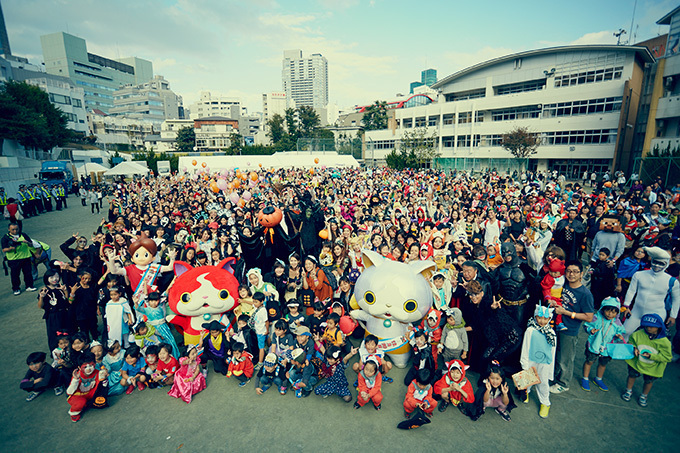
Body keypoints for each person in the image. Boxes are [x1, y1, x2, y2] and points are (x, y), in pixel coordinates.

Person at [550, 260, 594, 394]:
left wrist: (566, 313)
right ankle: (555, 378)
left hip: (570, 329)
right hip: (556, 325)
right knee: (557, 354)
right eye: (569, 271)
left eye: (575, 272)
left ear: (581, 274)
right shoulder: (563, 285)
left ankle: (564, 383)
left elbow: (589, 317)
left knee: (566, 358)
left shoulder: (585, 294)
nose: (571, 274)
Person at [623, 247, 679, 335]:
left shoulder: (671, 281)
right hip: (636, 312)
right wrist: (626, 305)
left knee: (651, 339)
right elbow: (631, 291)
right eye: (655, 262)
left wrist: (673, 316)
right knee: (624, 333)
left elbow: (676, 299)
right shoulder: (638, 275)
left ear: (666, 264)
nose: (657, 265)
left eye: (661, 263)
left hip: (657, 313)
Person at [621, 314, 672, 407]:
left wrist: (652, 356)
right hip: (637, 362)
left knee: (649, 381)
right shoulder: (638, 333)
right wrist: (634, 348)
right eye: (646, 325)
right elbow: (631, 341)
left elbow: (667, 357)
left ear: (659, 327)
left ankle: (644, 396)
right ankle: (628, 391)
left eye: (652, 326)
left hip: (652, 366)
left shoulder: (664, 341)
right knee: (632, 375)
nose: (648, 328)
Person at [581, 297, 626, 392]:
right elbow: (587, 325)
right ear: (603, 309)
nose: (610, 314)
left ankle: (598, 379)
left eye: (613, 312)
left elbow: (620, 332)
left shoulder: (617, 322)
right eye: (608, 311)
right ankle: (585, 378)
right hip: (594, 345)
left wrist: (619, 336)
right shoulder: (596, 318)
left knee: (603, 364)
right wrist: (591, 330)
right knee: (589, 361)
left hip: (607, 348)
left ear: (617, 313)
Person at [520, 304, 557, 418]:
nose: (542, 321)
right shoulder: (530, 330)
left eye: (546, 318)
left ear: (549, 319)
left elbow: (552, 353)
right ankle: (526, 392)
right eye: (540, 318)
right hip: (531, 359)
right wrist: (524, 363)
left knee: (543, 382)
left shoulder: (552, 334)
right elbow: (525, 347)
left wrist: (550, 369)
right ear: (535, 317)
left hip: (544, 362)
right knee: (528, 378)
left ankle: (545, 402)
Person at [66, 351, 105, 422]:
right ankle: (74, 413)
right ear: (79, 367)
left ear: (95, 364)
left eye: (91, 365)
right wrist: (75, 380)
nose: (89, 369)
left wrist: (104, 376)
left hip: (90, 394)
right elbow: (69, 392)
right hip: (78, 396)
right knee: (80, 402)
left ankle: (88, 403)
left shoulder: (97, 372)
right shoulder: (78, 375)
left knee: (102, 402)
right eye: (85, 367)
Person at [38, 270, 71, 351]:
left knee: (67, 332)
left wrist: (65, 291)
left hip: (64, 313)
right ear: (46, 278)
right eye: (51, 277)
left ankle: (68, 350)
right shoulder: (45, 290)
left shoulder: (60, 287)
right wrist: (41, 297)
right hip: (53, 316)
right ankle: (56, 353)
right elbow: (40, 306)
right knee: (54, 335)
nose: (55, 279)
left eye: (56, 276)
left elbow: (67, 301)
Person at [2, 222, 38, 295]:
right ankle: (16, 288)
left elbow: (31, 244)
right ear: (9, 229)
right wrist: (11, 248)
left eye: (17, 229)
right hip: (13, 260)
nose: (15, 231)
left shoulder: (23, 235)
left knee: (28, 273)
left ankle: (29, 286)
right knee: (15, 275)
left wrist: (27, 242)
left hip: (25, 257)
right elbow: (4, 249)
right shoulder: (5, 238)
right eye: (13, 230)